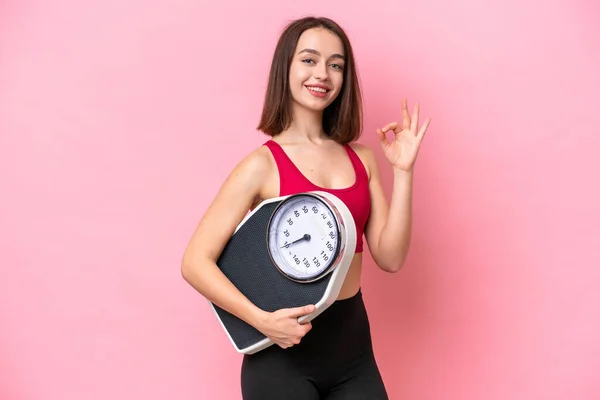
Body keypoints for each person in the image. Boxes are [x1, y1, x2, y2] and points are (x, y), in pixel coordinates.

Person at [181, 15, 431, 400]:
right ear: (287, 67)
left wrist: (404, 171)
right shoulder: (261, 165)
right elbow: (195, 262)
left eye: (336, 65)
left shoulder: (361, 159)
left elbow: (391, 257)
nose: (323, 74)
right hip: (281, 355)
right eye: (310, 60)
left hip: (353, 352)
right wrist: (262, 322)